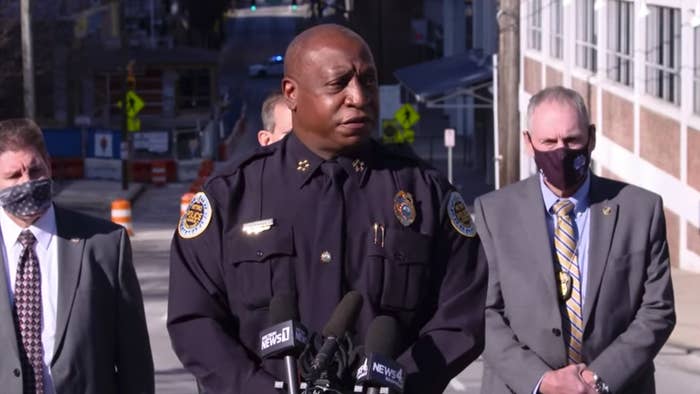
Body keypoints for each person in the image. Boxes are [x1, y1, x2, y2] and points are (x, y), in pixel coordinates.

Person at [168, 23, 487, 394]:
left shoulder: (424, 193)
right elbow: (195, 320)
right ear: (292, 93)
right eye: (339, 84)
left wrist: (399, 383)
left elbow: (462, 315)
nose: (358, 96)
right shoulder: (231, 197)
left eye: (367, 82)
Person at [474, 86, 675, 394]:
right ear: (529, 142)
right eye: (548, 142)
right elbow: (483, 312)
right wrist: (543, 381)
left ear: (591, 138)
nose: (561, 151)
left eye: (572, 140)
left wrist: (596, 380)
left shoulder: (640, 210)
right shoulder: (493, 213)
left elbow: (657, 309)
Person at [0, 118, 154, 394]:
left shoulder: (105, 245)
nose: (27, 182)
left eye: (35, 171)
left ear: (49, 164)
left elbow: (135, 359)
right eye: (13, 176)